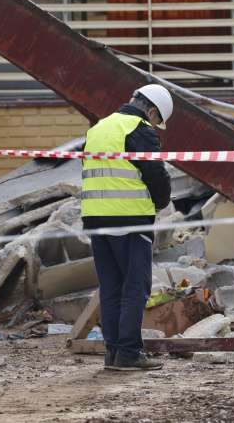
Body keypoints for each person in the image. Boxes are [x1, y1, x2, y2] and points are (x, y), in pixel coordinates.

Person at [81, 84, 173, 371]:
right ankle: (130, 353)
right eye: (157, 120)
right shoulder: (139, 128)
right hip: (130, 219)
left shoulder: (99, 128)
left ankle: (114, 353)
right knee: (135, 286)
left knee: (111, 287)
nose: (155, 126)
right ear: (152, 111)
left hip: (96, 219)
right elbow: (155, 174)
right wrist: (161, 202)